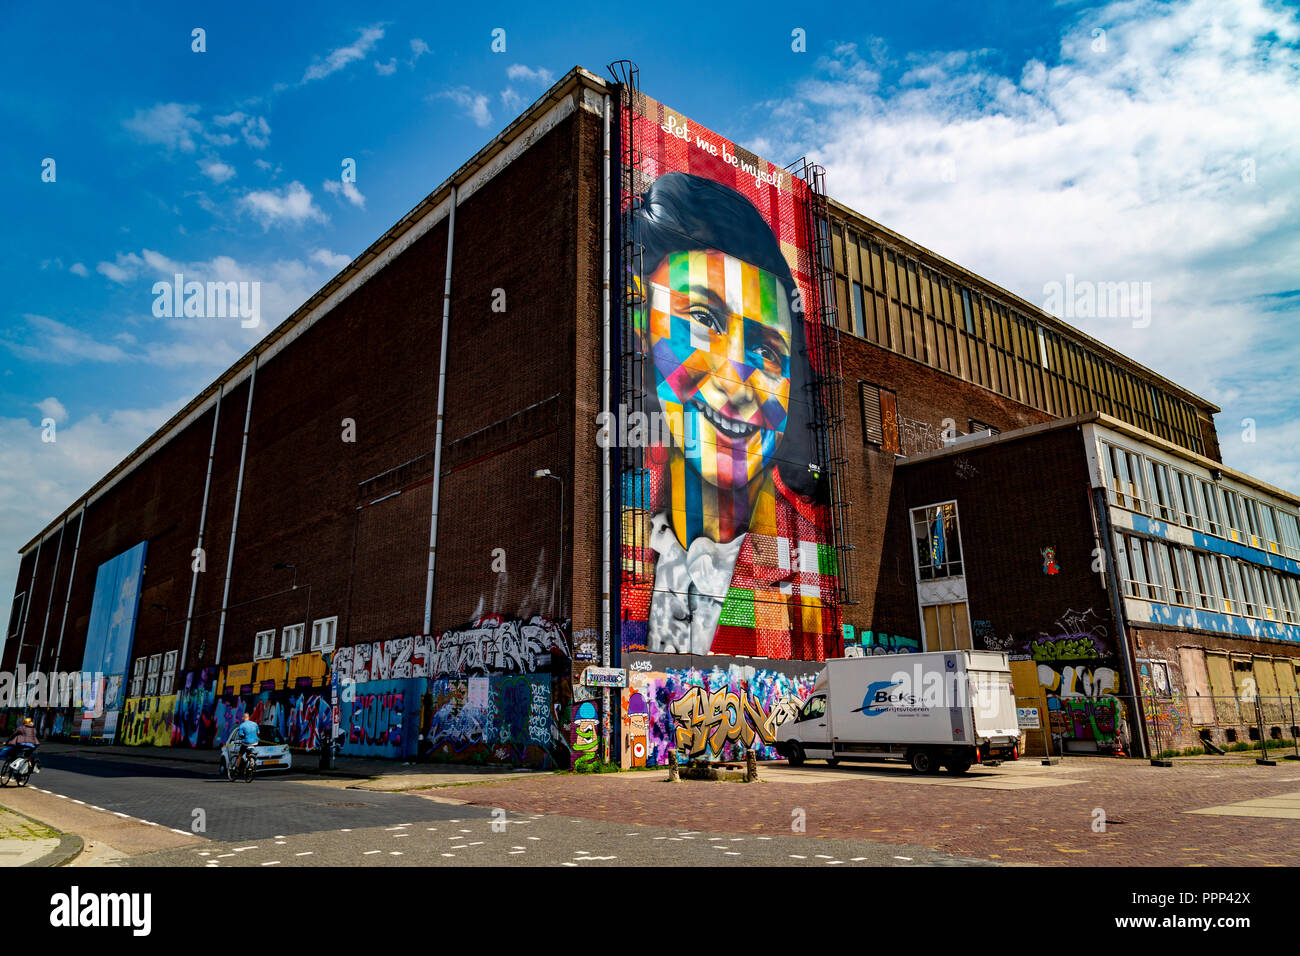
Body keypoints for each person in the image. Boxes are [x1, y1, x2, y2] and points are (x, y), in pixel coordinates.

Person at [622, 171, 837, 660]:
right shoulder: (616, 520)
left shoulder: (804, 563)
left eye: (768, 350)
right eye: (702, 319)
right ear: (642, 328)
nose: (735, 383)